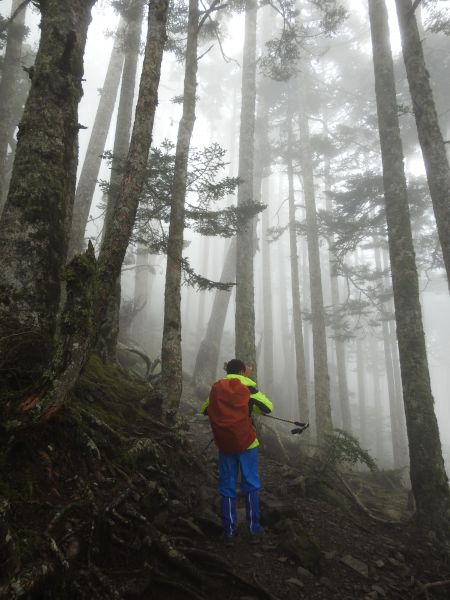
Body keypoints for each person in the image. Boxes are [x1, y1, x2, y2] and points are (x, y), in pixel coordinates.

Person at [201, 358, 273, 542]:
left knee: (227, 485)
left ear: (227, 371)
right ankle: (253, 530)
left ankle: (229, 531)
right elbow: (267, 408)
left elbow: (205, 410)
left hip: (225, 444)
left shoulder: (217, 388)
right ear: (242, 372)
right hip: (247, 443)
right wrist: (249, 406)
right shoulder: (248, 389)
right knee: (250, 483)